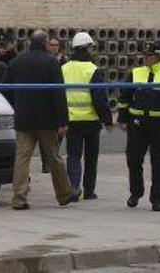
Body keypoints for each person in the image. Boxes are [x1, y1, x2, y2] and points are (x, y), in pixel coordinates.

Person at [0, 30, 76, 210]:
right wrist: (62, 121)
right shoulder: (51, 62)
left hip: (24, 119)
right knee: (54, 157)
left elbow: (4, 88)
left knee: (22, 159)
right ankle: (64, 194)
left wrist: (17, 104)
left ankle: (19, 197)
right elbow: (58, 93)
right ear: (44, 44)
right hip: (46, 121)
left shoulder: (16, 62)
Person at [117, 42, 160, 211]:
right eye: (145, 55)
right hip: (137, 123)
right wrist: (123, 119)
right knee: (133, 160)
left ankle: (157, 198)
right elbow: (124, 98)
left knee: (159, 162)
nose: (146, 58)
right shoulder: (134, 74)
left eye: (150, 55)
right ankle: (136, 192)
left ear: (159, 57)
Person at [62, 32, 113, 201]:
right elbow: (99, 98)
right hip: (91, 121)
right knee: (91, 157)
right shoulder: (92, 69)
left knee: (73, 156)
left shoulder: (64, 68)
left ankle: (74, 189)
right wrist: (107, 120)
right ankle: (89, 191)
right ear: (87, 48)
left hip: (71, 120)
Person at [40, 36, 66, 174]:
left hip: (59, 99)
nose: (54, 47)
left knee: (59, 133)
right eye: (52, 44)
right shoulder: (43, 60)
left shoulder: (64, 61)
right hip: (46, 100)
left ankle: (53, 158)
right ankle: (46, 163)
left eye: (57, 45)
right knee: (46, 133)